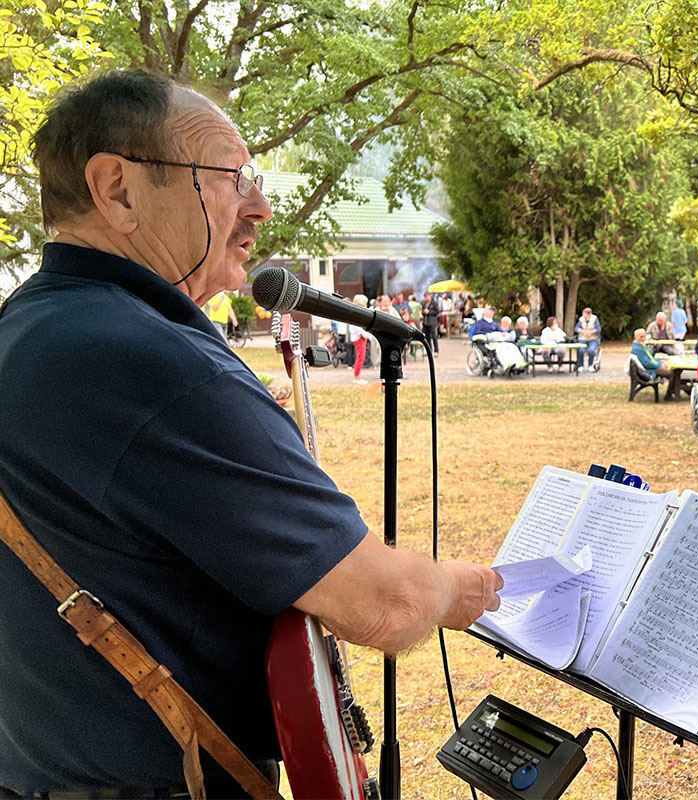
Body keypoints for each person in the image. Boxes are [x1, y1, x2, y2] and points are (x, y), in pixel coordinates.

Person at [0, 70, 501, 797]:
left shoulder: (30, 327)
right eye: (231, 179)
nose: (260, 206)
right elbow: (382, 604)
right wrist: (458, 586)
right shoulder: (149, 360)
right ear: (117, 188)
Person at [348, 294, 370, 384]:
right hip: (359, 338)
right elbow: (359, 329)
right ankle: (356, 377)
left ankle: (357, 375)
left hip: (359, 337)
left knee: (361, 357)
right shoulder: (356, 315)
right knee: (360, 358)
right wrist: (366, 335)